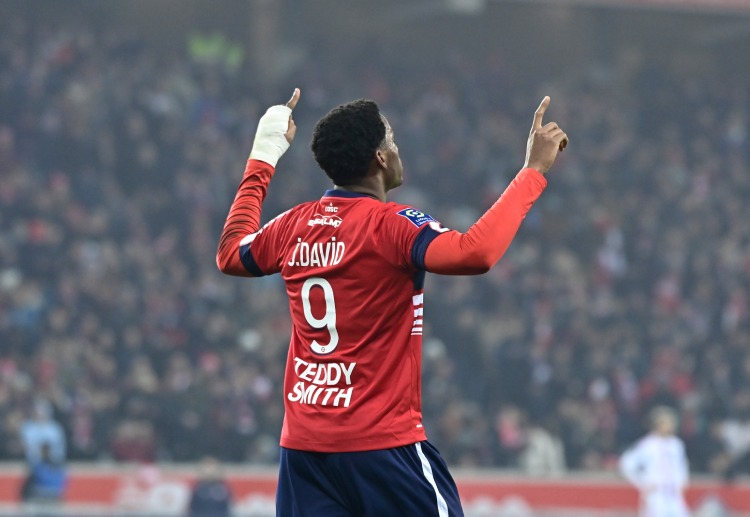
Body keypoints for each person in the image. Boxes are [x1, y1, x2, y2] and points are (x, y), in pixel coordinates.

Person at [216, 88, 567, 516]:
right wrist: (533, 171)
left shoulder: (294, 224)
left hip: (305, 453)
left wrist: (264, 156)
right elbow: (475, 253)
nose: (398, 151)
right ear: (381, 158)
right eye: (393, 142)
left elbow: (231, 253)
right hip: (381, 448)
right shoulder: (392, 225)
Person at [619, 406, 691, 517]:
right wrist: (642, 482)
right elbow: (626, 463)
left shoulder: (676, 444)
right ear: (657, 424)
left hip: (674, 494)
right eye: (666, 423)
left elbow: (682, 466)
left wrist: (682, 482)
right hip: (656, 494)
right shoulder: (647, 444)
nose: (670, 426)